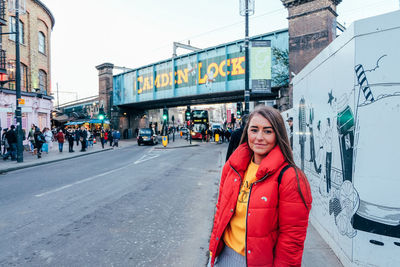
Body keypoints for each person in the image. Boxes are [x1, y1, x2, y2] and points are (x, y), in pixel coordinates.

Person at [208, 106, 312, 267]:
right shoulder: (232, 167)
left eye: (268, 131)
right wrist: (212, 251)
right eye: (254, 130)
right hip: (223, 256)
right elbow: (220, 211)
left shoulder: (291, 177)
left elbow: (291, 240)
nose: (259, 137)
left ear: (278, 135)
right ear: (247, 132)